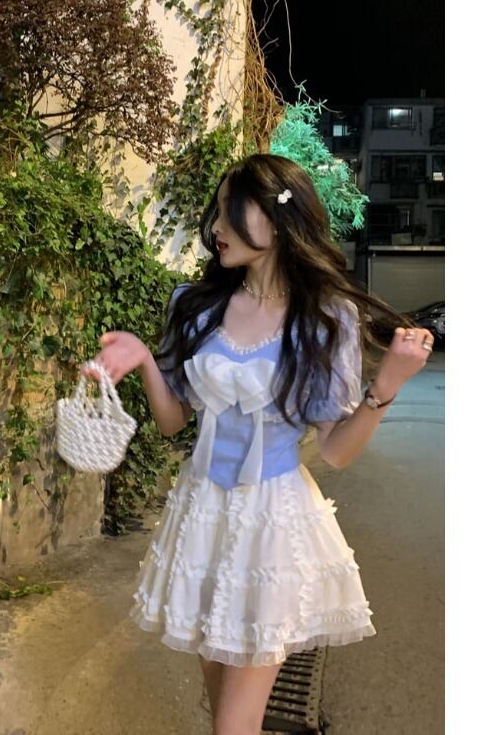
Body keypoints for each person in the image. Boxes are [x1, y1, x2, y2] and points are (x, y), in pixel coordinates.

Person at [80, 153, 432, 735]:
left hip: (272, 526)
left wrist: (386, 386)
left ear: (276, 216)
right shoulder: (196, 306)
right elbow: (172, 421)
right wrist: (143, 357)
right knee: (221, 705)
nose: (216, 226)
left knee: (233, 724)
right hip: (201, 516)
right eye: (217, 211)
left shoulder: (326, 319)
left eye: (231, 211)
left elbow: (336, 451)